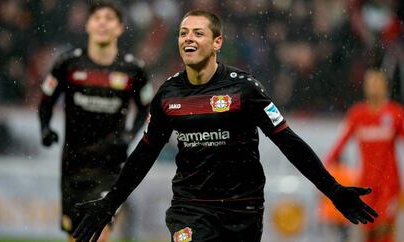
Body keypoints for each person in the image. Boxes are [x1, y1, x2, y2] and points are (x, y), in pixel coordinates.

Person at [72, 10, 378, 242]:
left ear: (217, 42)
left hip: (242, 210)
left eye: (198, 33)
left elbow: (289, 142)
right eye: (183, 33)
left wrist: (333, 190)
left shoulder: (244, 90)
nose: (188, 38)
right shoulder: (167, 95)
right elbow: (144, 154)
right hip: (190, 208)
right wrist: (109, 203)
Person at [37, 2, 152, 242]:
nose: (102, 22)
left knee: (97, 234)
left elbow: (146, 108)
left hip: (110, 166)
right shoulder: (68, 64)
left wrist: (131, 135)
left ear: (120, 28)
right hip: (73, 166)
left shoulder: (133, 69)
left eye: (109, 18)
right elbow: (46, 101)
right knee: (77, 236)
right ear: (87, 25)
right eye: (97, 17)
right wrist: (45, 128)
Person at [324, 69, 404, 242]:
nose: (373, 87)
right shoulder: (357, 114)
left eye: (377, 82)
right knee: (366, 231)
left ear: (385, 86)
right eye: (370, 83)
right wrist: (322, 169)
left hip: (389, 185)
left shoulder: (395, 112)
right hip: (366, 183)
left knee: (385, 231)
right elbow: (339, 144)